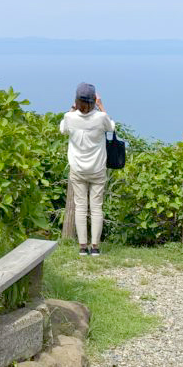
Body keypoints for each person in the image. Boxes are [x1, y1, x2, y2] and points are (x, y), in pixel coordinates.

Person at [60, 82, 115, 256]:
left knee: (80, 207)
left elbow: (62, 130)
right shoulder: (100, 117)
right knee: (96, 207)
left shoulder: (69, 117)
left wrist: (72, 109)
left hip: (78, 169)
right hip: (97, 169)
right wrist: (101, 105)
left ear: (76, 100)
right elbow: (111, 127)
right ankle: (95, 247)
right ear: (93, 100)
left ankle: (83, 247)